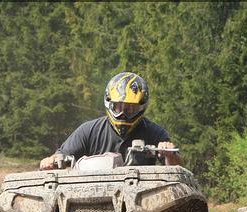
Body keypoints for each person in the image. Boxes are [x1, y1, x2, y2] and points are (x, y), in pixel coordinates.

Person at [39, 72, 183, 169]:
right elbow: (61, 156)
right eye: (118, 107)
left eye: (130, 109)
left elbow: (177, 170)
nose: (123, 114)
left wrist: (170, 154)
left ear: (141, 107)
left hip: (142, 202)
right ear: (109, 104)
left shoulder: (155, 133)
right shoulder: (89, 130)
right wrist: (51, 161)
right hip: (92, 197)